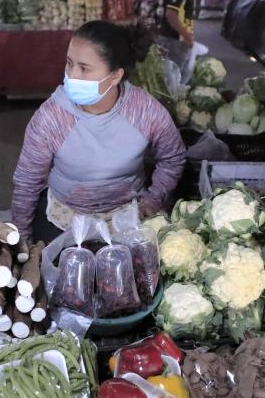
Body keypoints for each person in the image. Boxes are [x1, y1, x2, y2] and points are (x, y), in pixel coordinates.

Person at [10, 21, 186, 241]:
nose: (72, 75)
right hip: (64, 220)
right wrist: (20, 240)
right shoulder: (51, 118)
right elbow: (27, 182)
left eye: (84, 68)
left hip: (127, 220)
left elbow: (173, 158)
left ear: (115, 76)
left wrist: (153, 200)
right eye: (69, 63)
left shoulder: (146, 111)